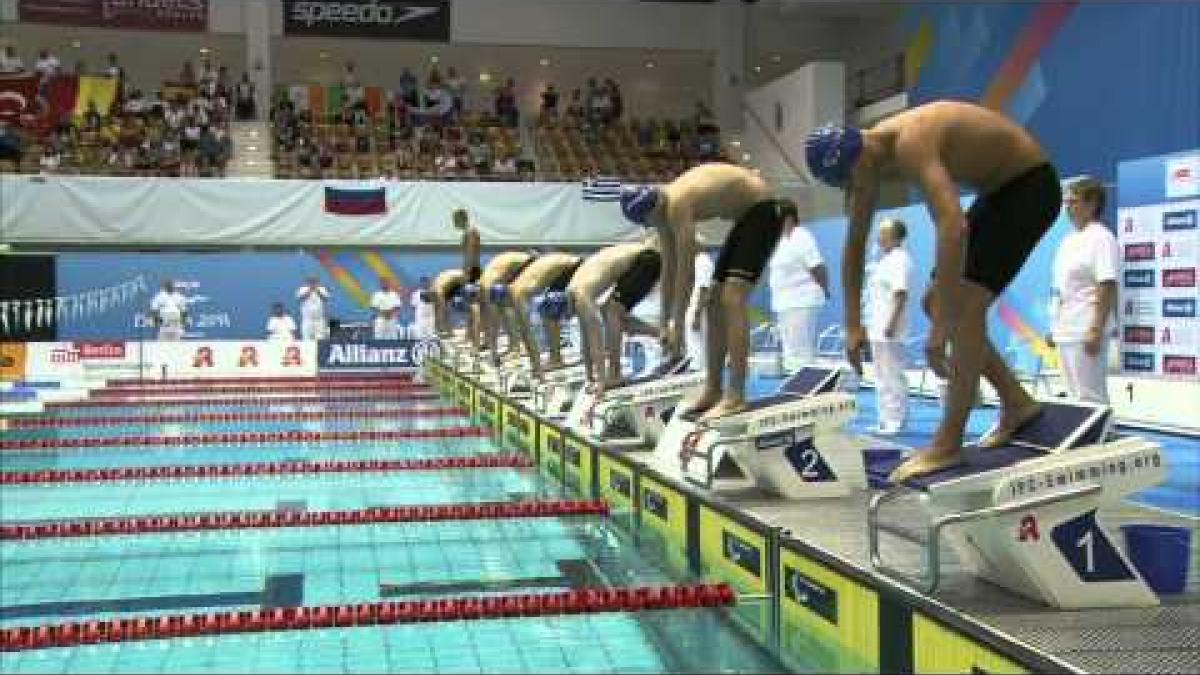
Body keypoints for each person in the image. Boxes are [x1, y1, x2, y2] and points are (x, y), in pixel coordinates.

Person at [804, 100, 1062, 482]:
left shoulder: (911, 141)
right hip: (997, 193)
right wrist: (852, 324)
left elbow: (952, 226)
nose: (857, 190)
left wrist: (942, 325)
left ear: (859, 158)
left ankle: (948, 444)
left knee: (963, 308)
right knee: (935, 301)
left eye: (852, 180)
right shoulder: (868, 164)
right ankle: (1017, 403)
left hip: (1030, 187)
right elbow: (855, 244)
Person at [619, 163, 795, 420]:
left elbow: (686, 270)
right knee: (714, 301)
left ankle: (736, 394)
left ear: (650, 212)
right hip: (746, 219)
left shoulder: (677, 203)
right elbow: (669, 270)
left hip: (765, 211)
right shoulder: (662, 212)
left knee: (732, 297)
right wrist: (665, 323)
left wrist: (678, 325)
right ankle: (713, 390)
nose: (655, 226)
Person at [1048, 176, 1118, 404]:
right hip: (1065, 329)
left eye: (1074, 201)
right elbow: (1061, 288)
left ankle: (1102, 436)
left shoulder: (1102, 238)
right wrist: (1054, 325)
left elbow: (1106, 285)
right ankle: (1088, 438)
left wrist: (1096, 329)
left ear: (1092, 203)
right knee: (1074, 395)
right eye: (1066, 202)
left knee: (1090, 396)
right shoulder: (1068, 241)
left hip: (1086, 328)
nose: (1067, 207)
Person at [566, 237, 666, 395]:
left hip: (647, 260)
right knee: (612, 316)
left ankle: (615, 374)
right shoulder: (574, 289)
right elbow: (586, 340)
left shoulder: (581, 295)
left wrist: (600, 381)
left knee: (612, 312)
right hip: (642, 259)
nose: (568, 318)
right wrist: (589, 376)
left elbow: (596, 340)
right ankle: (663, 334)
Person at [495, 252, 585, 378]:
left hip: (572, 266)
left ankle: (558, 359)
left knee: (551, 307)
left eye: (505, 306)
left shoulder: (517, 294)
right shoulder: (517, 286)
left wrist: (536, 367)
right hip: (567, 265)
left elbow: (527, 332)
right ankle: (556, 358)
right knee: (548, 309)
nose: (508, 309)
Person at [865, 218, 915, 434]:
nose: (879, 237)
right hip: (878, 326)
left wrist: (891, 323)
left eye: (884, 233)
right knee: (881, 375)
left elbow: (900, 293)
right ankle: (885, 418)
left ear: (897, 237)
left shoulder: (900, 260)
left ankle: (896, 419)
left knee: (892, 374)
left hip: (890, 328)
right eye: (879, 232)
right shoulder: (884, 260)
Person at [768, 219, 829, 370]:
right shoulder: (780, 241)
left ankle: (803, 388)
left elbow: (817, 266)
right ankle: (795, 385)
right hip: (785, 303)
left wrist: (824, 288)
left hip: (800, 301)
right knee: (791, 353)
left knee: (800, 353)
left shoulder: (801, 237)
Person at [477, 250, 538, 362]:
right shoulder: (521, 260)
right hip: (497, 284)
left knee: (502, 316)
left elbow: (490, 322)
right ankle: (514, 347)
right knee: (505, 314)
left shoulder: (520, 260)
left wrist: (492, 350)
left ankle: (513, 347)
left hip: (497, 283)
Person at [453, 208, 483, 346]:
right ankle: (470, 335)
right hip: (473, 270)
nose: (453, 223)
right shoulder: (469, 231)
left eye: (454, 220)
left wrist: (466, 273)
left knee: (473, 306)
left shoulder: (470, 232)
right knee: (471, 305)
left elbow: (470, 254)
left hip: (473, 271)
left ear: (460, 219)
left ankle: (475, 338)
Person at [686, 248, 716, 367]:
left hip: (699, 311)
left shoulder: (702, 261)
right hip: (695, 309)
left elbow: (704, 289)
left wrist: (697, 315)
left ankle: (699, 373)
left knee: (697, 349)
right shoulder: (696, 261)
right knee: (694, 347)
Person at [431, 268, 467, 338]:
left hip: (454, 280)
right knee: (443, 311)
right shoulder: (438, 288)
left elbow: (442, 310)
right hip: (448, 282)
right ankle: (443, 330)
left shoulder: (439, 290)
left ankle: (444, 330)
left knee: (444, 311)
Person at [295, 276, 330, 341]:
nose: (313, 283)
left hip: (319, 319)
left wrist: (317, 291)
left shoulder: (322, 289)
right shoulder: (302, 289)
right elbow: (300, 299)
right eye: (311, 281)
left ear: (318, 282)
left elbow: (325, 299)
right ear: (307, 282)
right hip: (307, 319)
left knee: (320, 338)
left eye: (315, 281)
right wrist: (310, 290)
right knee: (307, 338)